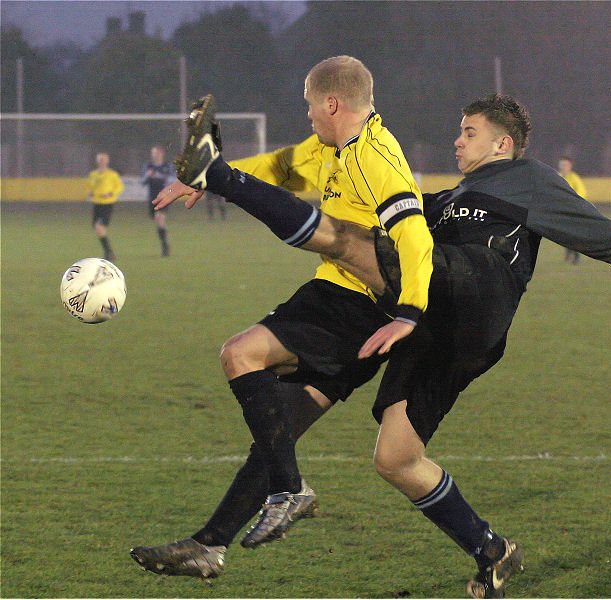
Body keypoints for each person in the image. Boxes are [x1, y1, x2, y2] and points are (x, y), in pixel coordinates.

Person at [131, 92, 611, 598]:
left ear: (503, 143)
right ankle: (490, 550)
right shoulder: (453, 195)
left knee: (351, 245)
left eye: (468, 131)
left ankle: (223, 178)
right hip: (436, 325)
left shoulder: (529, 180)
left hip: (469, 297)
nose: (458, 140)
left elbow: (602, 232)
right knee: (391, 456)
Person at [131, 54, 439, 587]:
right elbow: (278, 168)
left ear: (332, 103)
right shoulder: (331, 148)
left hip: (352, 306)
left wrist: (412, 311)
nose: (308, 116)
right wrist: (205, 183)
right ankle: (210, 545)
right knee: (278, 433)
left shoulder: (374, 160)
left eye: (310, 106)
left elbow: (415, 233)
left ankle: (290, 490)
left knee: (240, 354)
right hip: (350, 315)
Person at [87, 151, 123, 261]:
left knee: (99, 227)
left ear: (107, 161)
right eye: (99, 159)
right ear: (96, 161)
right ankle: (109, 253)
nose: (101, 161)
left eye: (103, 159)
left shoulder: (112, 174)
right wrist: (91, 192)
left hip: (107, 204)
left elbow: (119, 187)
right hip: (97, 204)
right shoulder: (93, 174)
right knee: (99, 228)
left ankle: (109, 253)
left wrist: (111, 193)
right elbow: (90, 186)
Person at [141, 145, 175, 256]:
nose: (154, 155)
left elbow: (173, 179)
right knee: (158, 222)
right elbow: (143, 182)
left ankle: (165, 247)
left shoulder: (167, 166)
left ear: (161, 154)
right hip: (152, 198)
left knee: (159, 217)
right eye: (153, 153)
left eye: (156, 153)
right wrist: (147, 176)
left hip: (164, 197)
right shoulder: (148, 166)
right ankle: (165, 240)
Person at [558, 156, 587, 264]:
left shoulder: (574, 178)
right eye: (561, 165)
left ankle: (576, 257)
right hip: (561, 211)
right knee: (564, 234)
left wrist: (572, 202)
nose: (563, 167)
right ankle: (569, 249)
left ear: (570, 166)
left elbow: (582, 193)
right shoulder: (558, 177)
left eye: (565, 165)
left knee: (574, 234)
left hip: (573, 211)